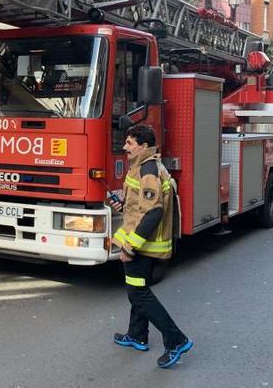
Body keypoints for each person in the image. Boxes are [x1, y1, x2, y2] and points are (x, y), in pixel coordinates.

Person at [110, 124, 192, 369]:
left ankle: (176, 340)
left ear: (144, 146)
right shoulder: (142, 167)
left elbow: (153, 213)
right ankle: (137, 335)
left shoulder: (148, 170)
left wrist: (129, 248)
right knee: (137, 289)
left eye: (130, 143)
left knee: (138, 293)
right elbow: (141, 207)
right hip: (143, 243)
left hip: (144, 246)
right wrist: (123, 204)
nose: (125, 147)